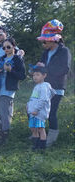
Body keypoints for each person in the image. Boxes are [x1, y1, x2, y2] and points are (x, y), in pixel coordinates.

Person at [36, 19, 71, 147]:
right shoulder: (45, 52)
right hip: (43, 87)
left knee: (51, 113)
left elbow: (65, 69)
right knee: (38, 110)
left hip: (56, 88)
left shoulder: (64, 51)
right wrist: (37, 68)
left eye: (44, 41)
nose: (43, 43)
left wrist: (45, 69)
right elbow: (42, 67)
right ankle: (39, 135)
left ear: (52, 39)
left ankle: (51, 138)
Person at [0, 37, 26, 143]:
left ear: (14, 47)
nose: (6, 49)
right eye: (4, 47)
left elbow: (22, 76)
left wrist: (11, 70)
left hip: (8, 89)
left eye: (8, 47)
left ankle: (4, 135)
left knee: (4, 113)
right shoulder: (1, 58)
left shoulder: (17, 59)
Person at [27, 66, 52, 151]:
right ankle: (35, 145)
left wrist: (36, 109)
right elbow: (33, 98)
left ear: (44, 75)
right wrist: (28, 105)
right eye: (34, 75)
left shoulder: (44, 86)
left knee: (41, 129)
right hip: (32, 112)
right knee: (33, 129)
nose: (35, 77)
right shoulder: (37, 86)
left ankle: (42, 147)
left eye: (37, 75)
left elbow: (43, 99)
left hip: (39, 113)